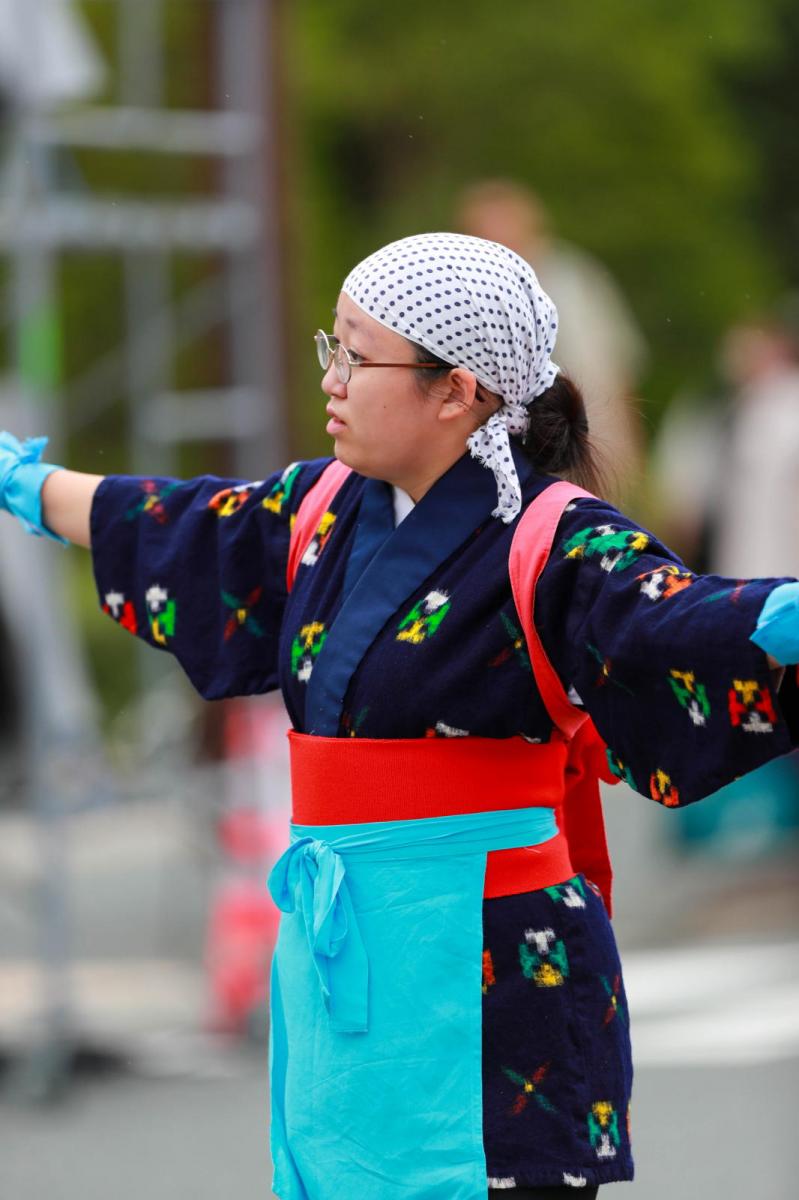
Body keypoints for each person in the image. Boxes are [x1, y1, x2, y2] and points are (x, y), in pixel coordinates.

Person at [2, 233, 799, 1200]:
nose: (332, 377)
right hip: (347, 950)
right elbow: (180, 527)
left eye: (356, 353)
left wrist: (777, 616)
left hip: (496, 962)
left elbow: (672, 621)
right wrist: (32, 490)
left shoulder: (555, 540)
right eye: (329, 347)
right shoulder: (321, 507)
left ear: (455, 391)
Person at [456, 179, 648, 503]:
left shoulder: (575, 280)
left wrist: (629, 455)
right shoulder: (466, 291)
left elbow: (614, 370)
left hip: (587, 445)